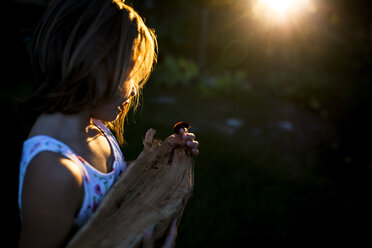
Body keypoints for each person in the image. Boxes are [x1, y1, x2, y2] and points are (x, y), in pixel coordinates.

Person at [17, 0, 199, 247]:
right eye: (131, 73)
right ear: (98, 60)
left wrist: (164, 155)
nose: (135, 90)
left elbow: (114, 186)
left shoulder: (93, 125)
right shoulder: (53, 174)